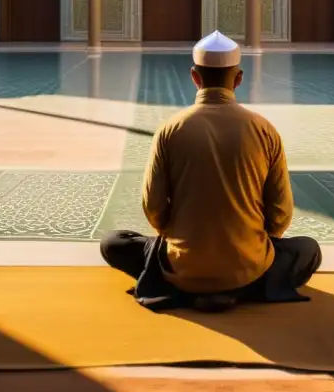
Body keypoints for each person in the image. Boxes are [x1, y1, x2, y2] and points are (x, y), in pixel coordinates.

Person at [100, 31, 322, 312]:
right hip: (250, 265)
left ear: (195, 76)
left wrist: (175, 237)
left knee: (113, 243)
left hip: (181, 266)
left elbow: (153, 206)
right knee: (308, 249)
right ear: (238, 79)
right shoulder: (264, 130)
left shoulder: (170, 129)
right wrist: (250, 243)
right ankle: (246, 288)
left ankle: (182, 287)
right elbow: (280, 213)